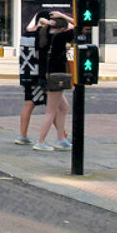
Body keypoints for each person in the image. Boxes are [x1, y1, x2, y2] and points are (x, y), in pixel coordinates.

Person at [15, 10, 71, 145]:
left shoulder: (30, 33)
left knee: (31, 104)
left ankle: (24, 135)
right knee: (52, 109)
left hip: (28, 73)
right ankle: (55, 138)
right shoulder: (49, 35)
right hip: (43, 74)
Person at [33, 13, 76, 151]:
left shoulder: (42, 34)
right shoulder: (60, 36)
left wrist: (44, 22)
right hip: (57, 75)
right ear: (63, 27)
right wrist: (63, 15)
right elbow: (80, 26)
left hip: (45, 75)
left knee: (64, 107)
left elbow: (38, 22)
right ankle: (41, 141)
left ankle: (61, 138)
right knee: (51, 111)